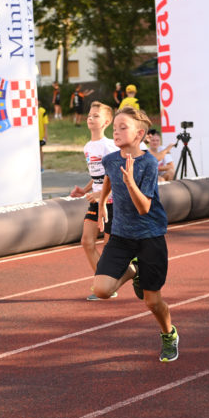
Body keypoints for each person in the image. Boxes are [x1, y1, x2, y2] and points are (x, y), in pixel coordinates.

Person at [92, 106, 179, 362]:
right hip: (121, 235)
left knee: (152, 303)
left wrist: (130, 182)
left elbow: (144, 207)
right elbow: (109, 177)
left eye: (123, 127)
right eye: (115, 127)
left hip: (150, 236)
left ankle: (169, 334)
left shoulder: (149, 163)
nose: (116, 132)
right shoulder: (110, 159)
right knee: (102, 290)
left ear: (139, 134)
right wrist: (101, 204)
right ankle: (132, 271)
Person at [70, 101, 120, 301]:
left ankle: (109, 284)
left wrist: (102, 195)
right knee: (86, 242)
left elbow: (117, 176)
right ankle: (104, 285)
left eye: (96, 116)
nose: (91, 118)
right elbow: (98, 176)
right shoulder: (87, 147)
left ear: (107, 121)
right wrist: (85, 189)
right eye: (89, 115)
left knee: (109, 249)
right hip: (95, 202)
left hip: (112, 202)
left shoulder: (109, 146)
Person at [38, 100, 49, 171]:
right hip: (32, 136)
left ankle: (41, 165)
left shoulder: (42, 111)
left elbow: (45, 123)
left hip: (40, 134)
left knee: (40, 150)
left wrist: (45, 134)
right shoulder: (29, 110)